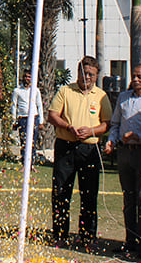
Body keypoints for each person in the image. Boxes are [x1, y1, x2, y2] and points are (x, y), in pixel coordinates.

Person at [47, 56, 113, 251]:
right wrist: (68, 127)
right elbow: (52, 115)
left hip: (89, 150)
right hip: (65, 147)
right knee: (61, 192)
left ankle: (87, 237)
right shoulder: (65, 91)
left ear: (96, 76)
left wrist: (91, 131)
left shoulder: (101, 96)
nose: (87, 77)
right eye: (84, 73)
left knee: (89, 195)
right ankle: (60, 235)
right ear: (78, 73)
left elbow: (107, 124)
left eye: (91, 74)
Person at [103, 63, 141, 261]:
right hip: (124, 154)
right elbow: (116, 124)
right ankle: (130, 240)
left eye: (140, 77)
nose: (136, 79)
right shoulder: (123, 98)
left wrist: (138, 137)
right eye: (134, 76)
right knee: (128, 199)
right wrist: (111, 140)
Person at [11, 69, 44, 162]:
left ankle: (31, 163)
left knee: (33, 140)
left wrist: (41, 121)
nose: (27, 78)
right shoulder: (17, 91)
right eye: (25, 76)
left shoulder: (35, 90)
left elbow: (39, 105)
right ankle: (24, 162)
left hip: (34, 118)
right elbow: (14, 106)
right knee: (23, 141)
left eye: (29, 77)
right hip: (22, 118)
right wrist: (14, 121)